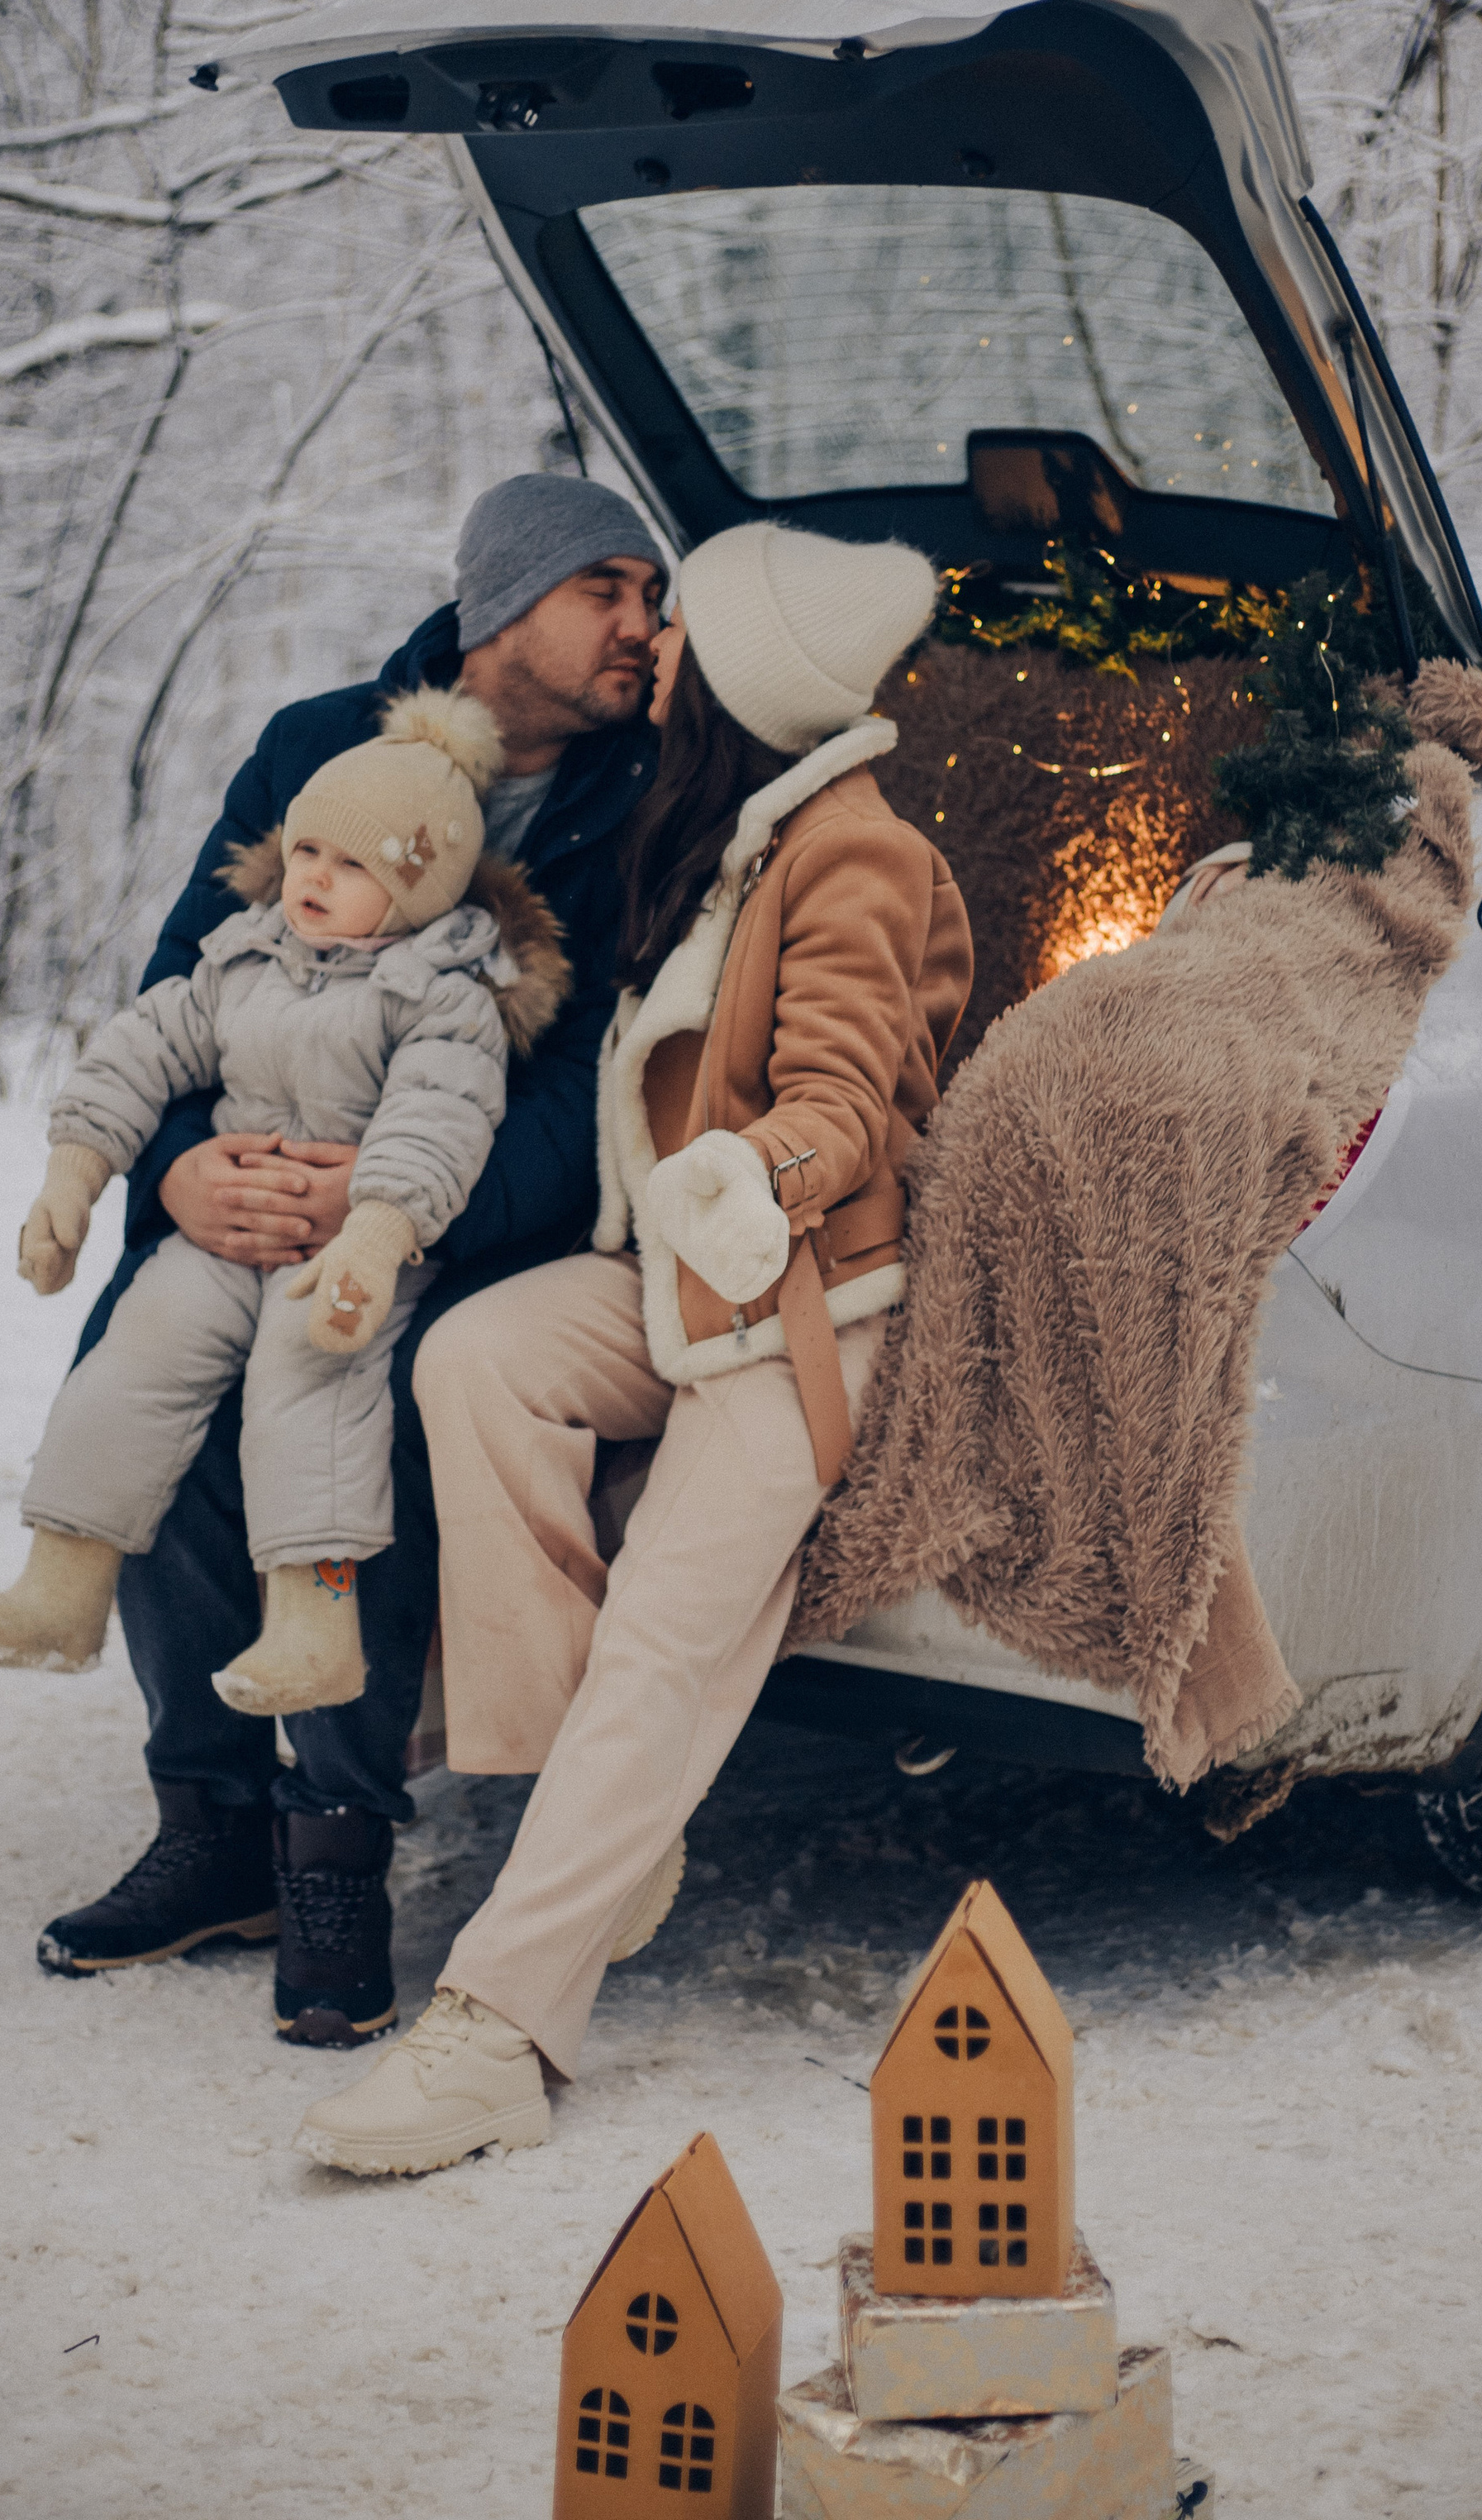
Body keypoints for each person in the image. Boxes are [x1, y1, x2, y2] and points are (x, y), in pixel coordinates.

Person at [292, 520, 974, 2175]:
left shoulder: (855, 852)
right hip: (673, 1275)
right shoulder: (731, 833)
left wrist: (766, 1171)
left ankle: (499, 2033)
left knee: (675, 1624)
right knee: (474, 1358)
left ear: (747, 670)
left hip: (796, 1305)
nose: (650, 642)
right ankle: (593, 1828)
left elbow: (838, 1097)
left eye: (680, 623)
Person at [37, 475, 668, 2047]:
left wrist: (402, 1214)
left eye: (653, 604)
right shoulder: (315, 742)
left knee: (348, 1396)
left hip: (460, 1207)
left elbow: (593, 1076)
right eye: (613, 593)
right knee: (150, 1359)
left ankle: (335, 1850)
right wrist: (182, 1170)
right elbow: (189, 976)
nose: (645, 634)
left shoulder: (648, 795)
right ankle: (212, 1825)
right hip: (250, 1170)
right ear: (505, 602)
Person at [0, 690, 568, 1718]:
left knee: (310, 1382)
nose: (313, 879)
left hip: (353, 1252)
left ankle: (314, 1631)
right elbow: (140, 1049)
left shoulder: (443, 995)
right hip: (226, 1243)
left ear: (421, 885)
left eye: (352, 865)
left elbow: (438, 1120)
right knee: (138, 1351)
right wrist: (76, 1169)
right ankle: (61, 1586)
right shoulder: (244, 956)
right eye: (308, 852)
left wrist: (375, 1232)